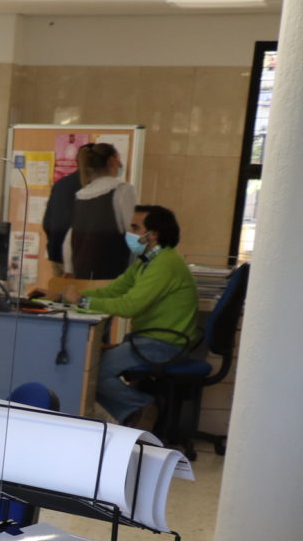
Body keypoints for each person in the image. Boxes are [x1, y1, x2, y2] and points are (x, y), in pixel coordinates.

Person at [81, 203, 200, 426]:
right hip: (148, 340)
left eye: (135, 228)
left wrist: (82, 301)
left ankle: (142, 407)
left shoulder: (165, 264)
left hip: (164, 344)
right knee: (88, 368)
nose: (129, 233)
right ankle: (135, 415)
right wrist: (69, 296)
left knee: (93, 374)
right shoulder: (145, 263)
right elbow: (113, 291)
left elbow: (130, 306)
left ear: (153, 235)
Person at [40, 141, 116, 279]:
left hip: (56, 253)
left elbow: (47, 223)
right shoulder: (97, 187)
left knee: (58, 291)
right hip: (81, 258)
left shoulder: (61, 183)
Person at [62, 143, 136, 280]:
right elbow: (133, 233)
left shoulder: (81, 195)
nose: (120, 164)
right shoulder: (123, 190)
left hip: (82, 273)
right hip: (112, 276)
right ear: (112, 161)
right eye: (118, 159)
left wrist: (69, 269)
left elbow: (69, 238)